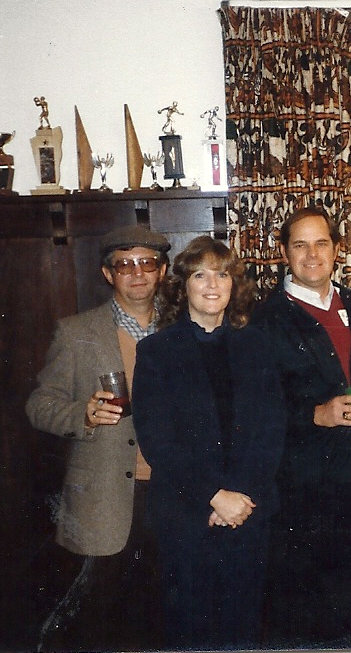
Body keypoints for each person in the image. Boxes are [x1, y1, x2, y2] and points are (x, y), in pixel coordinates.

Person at [131, 235, 285, 650]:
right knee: (191, 633)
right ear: (183, 286)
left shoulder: (258, 346)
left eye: (222, 274)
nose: (212, 284)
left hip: (248, 516)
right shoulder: (156, 353)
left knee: (245, 631)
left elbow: (271, 431)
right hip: (186, 519)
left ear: (235, 285)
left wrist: (240, 499)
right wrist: (215, 497)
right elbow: (158, 442)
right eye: (200, 274)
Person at [26, 224, 170, 652]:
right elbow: (39, 404)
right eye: (124, 265)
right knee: (100, 624)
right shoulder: (76, 332)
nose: (137, 273)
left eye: (146, 262)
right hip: (102, 500)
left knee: (162, 617)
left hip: (172, 496)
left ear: (161, 271)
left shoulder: (183, 327)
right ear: (108, 275)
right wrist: (82, 414)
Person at [252, 206, 351, 649]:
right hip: (296, 489)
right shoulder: (265, 319)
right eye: (299, 245)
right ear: (284, 252)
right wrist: (314, 414)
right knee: (294, 612)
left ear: (337, 250)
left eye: (321, 243)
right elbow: (251, 410)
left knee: (342, 605)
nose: (311, 254)